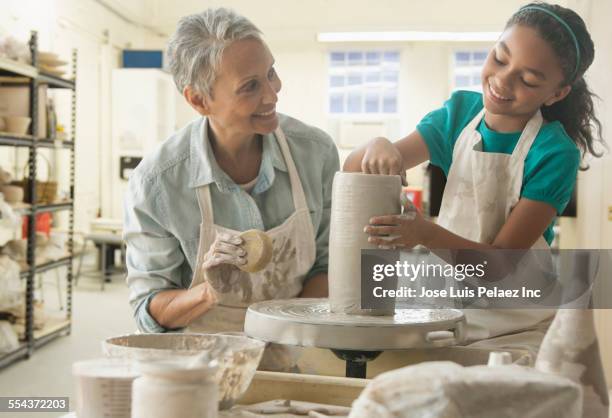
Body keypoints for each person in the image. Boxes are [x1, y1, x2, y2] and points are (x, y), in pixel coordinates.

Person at [344, 3, 603, 355]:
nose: (502, 81)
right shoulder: (458, 115)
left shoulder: (555, 152)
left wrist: (422, 232)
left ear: (557, 93)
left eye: (527, 80)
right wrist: (379, 144)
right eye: (499, 58)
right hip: (446, 303)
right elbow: (354, 169)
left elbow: (499, 266)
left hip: (515, 321)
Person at [124, 8, 339, 370]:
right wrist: (210, 292)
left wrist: (285, 334)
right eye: (250, 86)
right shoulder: (158, 182)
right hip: (197, 369)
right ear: (198, 100)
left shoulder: (314, 153)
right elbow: (149, 308)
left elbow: (327, 265)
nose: (272, 94)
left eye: (271, 73)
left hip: (297, 355)